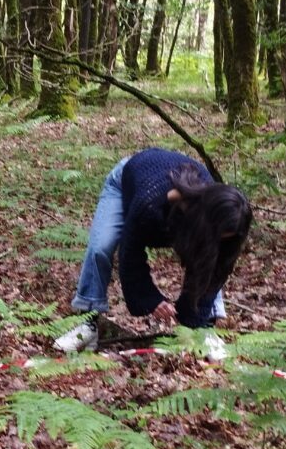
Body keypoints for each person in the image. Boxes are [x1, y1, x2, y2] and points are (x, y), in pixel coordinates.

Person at [54, 148, 253, 357]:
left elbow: (216, 267)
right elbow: (130, 253)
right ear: (204, 221)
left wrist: (192, 318)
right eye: (217, 234)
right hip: (126, 183)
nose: (219, 239)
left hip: (174, 202)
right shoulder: (149, 205)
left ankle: (204, 330)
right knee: (101, 247)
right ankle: (87, 322)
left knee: (211, 256)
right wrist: (151, 299)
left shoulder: (222, 206)